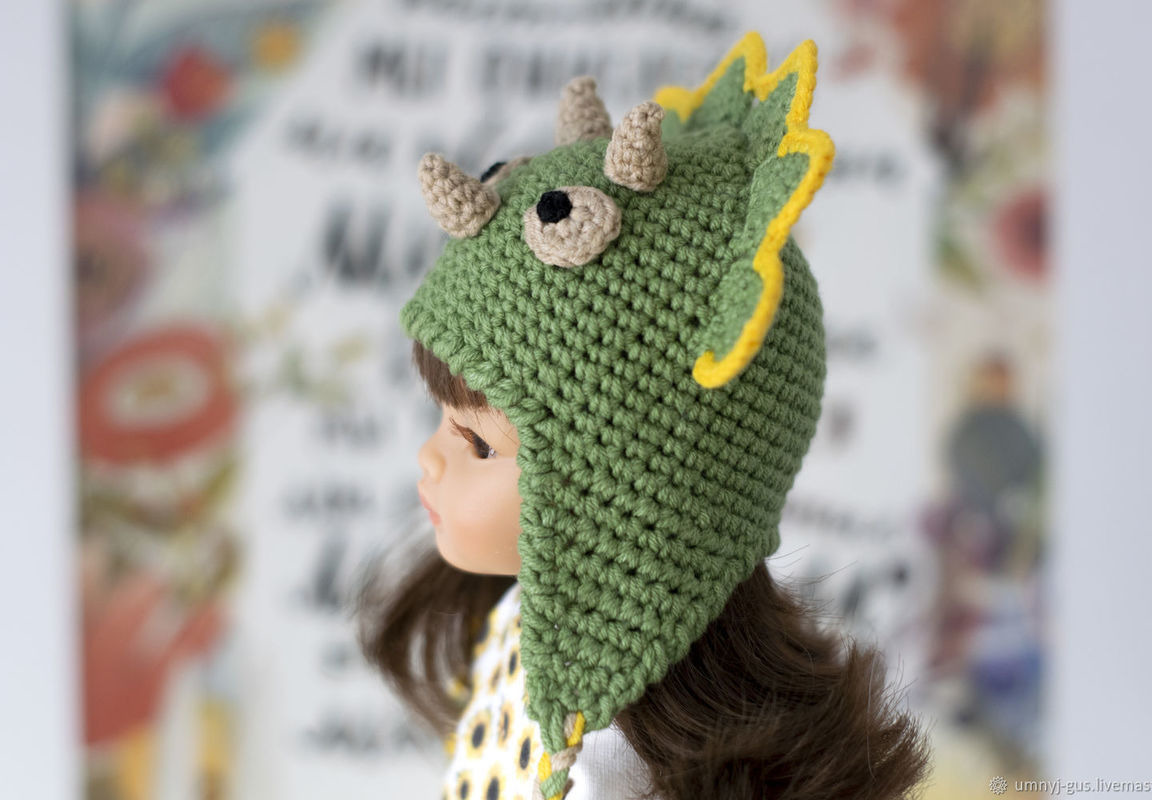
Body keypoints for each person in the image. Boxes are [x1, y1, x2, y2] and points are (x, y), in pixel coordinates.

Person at [358, 31, 932, 800]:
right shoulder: (529, 636)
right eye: (443, 420)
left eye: (479, 444)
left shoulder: (608, 766)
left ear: (627, 505)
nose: (429, 459)